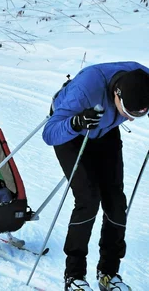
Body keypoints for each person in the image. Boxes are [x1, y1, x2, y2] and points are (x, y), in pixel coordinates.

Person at [43, 62, 149, 291]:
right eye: (128, 113)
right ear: (116, 95)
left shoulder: (143, 79)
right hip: (71, 131)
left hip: (105, 130)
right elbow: (49, 134)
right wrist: (75, 122)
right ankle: (74, 276)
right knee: (88, 199)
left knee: (116, 202)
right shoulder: (85, 89)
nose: (130, 120)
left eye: (136, 116)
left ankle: (109, 274)